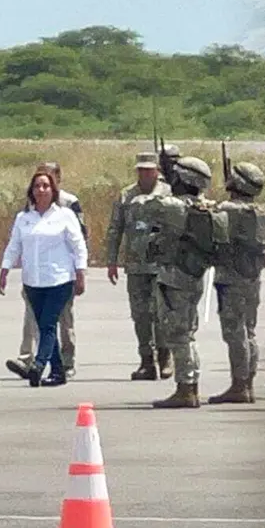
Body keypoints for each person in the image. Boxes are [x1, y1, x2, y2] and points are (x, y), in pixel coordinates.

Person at [147, 156, 226, 408]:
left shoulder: (174, 206)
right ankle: (188, 385)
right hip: (193, 275)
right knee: (186, 333)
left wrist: (161, 179)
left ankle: (186, 388)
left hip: (175, 277)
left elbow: (144, 205)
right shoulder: (204, 208)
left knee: (179, 334)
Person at [0, 170, 88, 388]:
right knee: (43, 325)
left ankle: (38, 366)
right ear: (32, 191)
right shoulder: (24, 218)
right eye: (37, 186)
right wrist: (4, 271)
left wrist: (80, 273)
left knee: (48, 325)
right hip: (33, 281)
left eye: (46, 186)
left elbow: (78, 246)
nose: (41, 190)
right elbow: (14, 246)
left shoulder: (65, 215)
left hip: (59, 279)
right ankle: (58, 372)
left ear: (53, 190)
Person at [208, 162, 265, 404]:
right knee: (248, 331)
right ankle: (247, 384)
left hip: (230, 277)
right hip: (253, 277)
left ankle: (238, 385)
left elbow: (213, 230)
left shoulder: (228, 209)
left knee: (234, 332)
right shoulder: (262, 212)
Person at [106, 152, 174, 380]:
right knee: (140, 315)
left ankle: (165, 356)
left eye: (149, 169)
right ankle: (146, 361)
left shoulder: (168, 193)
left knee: (161, 313)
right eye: (141, 170)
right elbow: (116, 228)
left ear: (157, 170)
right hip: (135, 266)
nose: (145, 174)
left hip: (161, 265)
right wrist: (111, 260)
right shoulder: (127, 195)